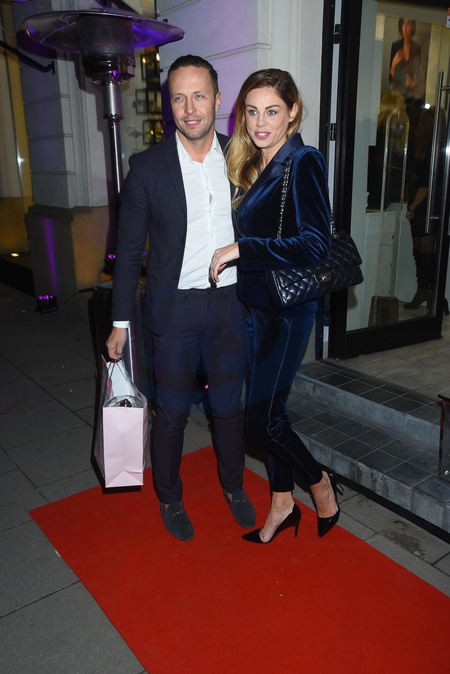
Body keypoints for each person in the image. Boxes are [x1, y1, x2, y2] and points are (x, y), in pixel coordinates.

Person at [106, 55, 255, 542]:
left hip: (230, 304)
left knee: (229, 408)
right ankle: (170, 496)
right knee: (171, 412)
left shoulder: (243, 159)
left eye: (199, 96)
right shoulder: (147, 168)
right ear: (169, 105)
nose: (190, 109)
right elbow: (128, 250)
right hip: (175, 309)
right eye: (179, 98)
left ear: (217, 99)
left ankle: (233, 485)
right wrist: (120, 323)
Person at [210, 69, 342, 544]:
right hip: (255, 306)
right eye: (252, 111)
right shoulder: (250, 164)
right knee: (274, 415)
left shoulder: (303, 160)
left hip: (288, 312)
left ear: (292, 112)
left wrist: (242, 249)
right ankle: (282, 503)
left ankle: (320, 484)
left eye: (272, 111)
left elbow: (315, 245)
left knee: (258, 422)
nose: (260, 122)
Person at [404, 106, 444, 310]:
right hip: (426, 206)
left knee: (424, 252)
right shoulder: (433, 148)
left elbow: (425, 185)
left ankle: (428, 292)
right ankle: (429, 292)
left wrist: (412, 207)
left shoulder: (432, 151)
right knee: (422, 252)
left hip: (426, 206)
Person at [389, 18, 424, 132]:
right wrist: (394, 63)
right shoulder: (395, 46)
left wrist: (413, 84)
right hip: (397, 96)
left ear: (412, 27)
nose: (405, 27)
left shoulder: (417, 47)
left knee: (410, 127)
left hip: (411, 98)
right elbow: (390, 77)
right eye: (403, 24)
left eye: (408, 24)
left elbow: (419, 75)